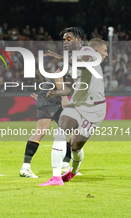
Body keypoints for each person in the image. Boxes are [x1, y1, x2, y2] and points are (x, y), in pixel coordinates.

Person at [39, 38, 108, 186]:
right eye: (105, 50)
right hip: (76, 104)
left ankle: (73, 171)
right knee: (61, 131)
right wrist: (57, 93)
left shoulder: (92, 62)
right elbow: (69, 88)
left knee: (76, 146)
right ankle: (56, 177)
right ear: (96, 51)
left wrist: (61, 57)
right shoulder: (79, 61)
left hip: (95, 109)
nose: (106, 54)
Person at [20, 27, 85, 178]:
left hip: (55, 96)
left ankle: (64, 166)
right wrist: (61, 97)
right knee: (42, 130)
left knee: (74, 130)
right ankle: (25, 168)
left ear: (79, 40)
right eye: (64, 40)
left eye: (69, 39)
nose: (66, 42)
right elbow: (57, 75)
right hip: (53, 95)